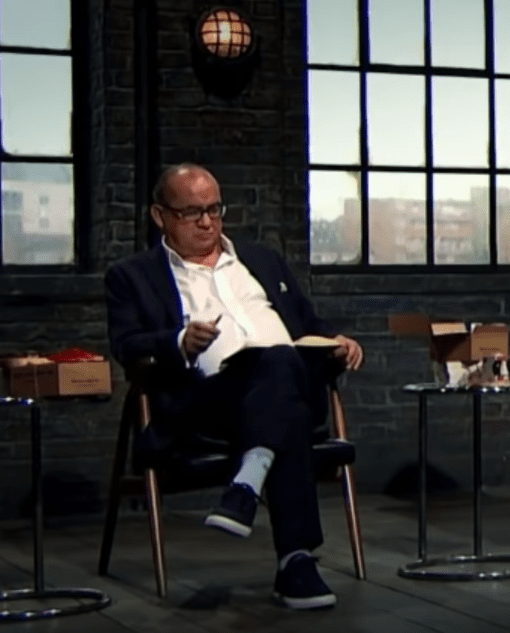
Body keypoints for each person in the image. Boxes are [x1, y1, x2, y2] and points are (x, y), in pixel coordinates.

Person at [106, 163, 364, 609]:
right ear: (159, 215)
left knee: (280, 361)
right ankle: (296, 562)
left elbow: (308, 324)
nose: (207, 222)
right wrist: (178, 341)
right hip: (208, 404)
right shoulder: (132, 275)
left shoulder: (262, 260)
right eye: (191, 213)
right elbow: (126, 344)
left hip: (288, 386)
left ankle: (247, 484)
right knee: (283, 392)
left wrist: (337, 341)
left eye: (214, 209)